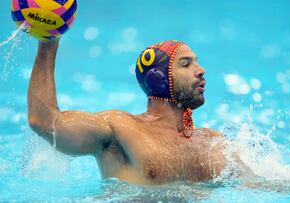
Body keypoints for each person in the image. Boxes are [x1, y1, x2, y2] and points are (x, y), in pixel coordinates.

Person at [28, 39, 253, 185]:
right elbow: (45, 121)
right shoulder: (120, 128)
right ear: (159, 79)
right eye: (186, 64)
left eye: (197, 63)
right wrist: (48, 44)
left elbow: (259, 184)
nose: (201, 70)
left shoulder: (212, 142)